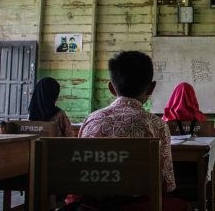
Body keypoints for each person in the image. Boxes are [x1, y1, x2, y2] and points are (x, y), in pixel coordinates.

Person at [68, 51, 188, 210]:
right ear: (151, 88)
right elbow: (166, 185)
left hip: (92, 205)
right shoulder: (156, 124)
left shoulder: (91, 119)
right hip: (139, 205)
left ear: (111, 87)